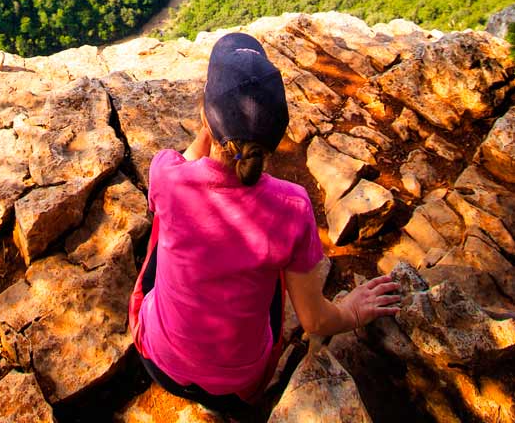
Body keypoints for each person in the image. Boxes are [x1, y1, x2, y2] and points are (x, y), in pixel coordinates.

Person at [128, 32, 401, 416]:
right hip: (238, 387)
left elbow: (187, 162)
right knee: (276, 277)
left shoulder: (167, 177)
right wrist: (353, 312)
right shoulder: (292, 206)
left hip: (159, 363)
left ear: (205, 116)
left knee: (163, 230)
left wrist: (208, 125)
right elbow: (314, 320)